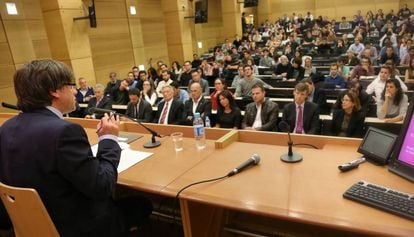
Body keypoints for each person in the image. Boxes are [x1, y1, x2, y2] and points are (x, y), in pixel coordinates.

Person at [0, 59, 152, 237]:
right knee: (142, 204)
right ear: (54, 91)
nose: (74, 92)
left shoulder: (6, 128)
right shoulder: (64, 132)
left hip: (29, 223)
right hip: (76, 226)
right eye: (71, 86)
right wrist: (109, 138)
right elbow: (102, 186)